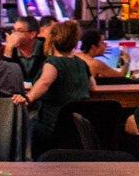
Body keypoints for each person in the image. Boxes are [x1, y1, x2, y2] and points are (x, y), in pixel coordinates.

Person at [18, 19, 92, 151]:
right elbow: (93, 87)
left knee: (25, 127)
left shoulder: (53, 63)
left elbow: (44, 82)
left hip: (54, 124)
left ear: (52, 40)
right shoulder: (82, 63)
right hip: (79, 126)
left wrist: (28, 98)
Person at [3, 16, 46, 87]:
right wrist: (8, 50)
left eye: (20, 31)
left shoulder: (46, 49)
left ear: (32, 34)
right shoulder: (9, 50)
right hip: (15, 95)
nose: (14, 35)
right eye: (14, 31)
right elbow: (4, 78)